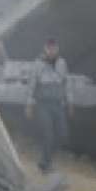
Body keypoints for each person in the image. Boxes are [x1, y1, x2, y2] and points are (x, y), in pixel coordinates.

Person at [26, 38, 72, 172]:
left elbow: (66, 83)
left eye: (54, 48)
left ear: (57, 49)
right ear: (45, 49)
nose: (52, 51)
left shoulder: (62, 63)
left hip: (58, 104)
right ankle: (45, 164)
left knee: (63, 135)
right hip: (43, 105)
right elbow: (31, 85)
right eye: (49, 48)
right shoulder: (37, 63)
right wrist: (29, 104)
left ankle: (46, 159)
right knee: (48, 134)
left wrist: (70, 102)